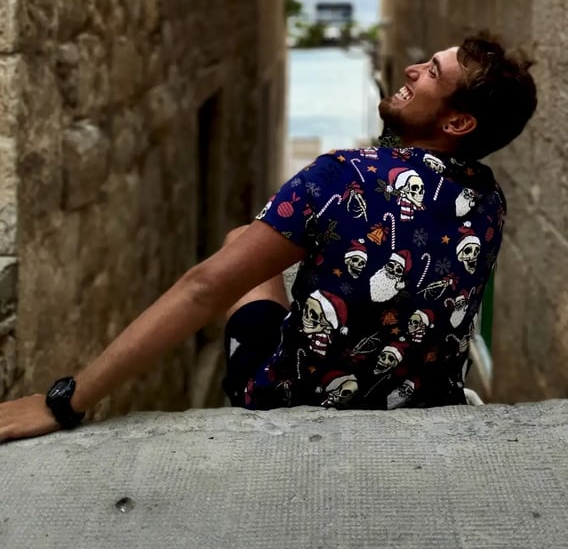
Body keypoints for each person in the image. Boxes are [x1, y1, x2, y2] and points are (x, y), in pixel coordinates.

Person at [0, 34, 536, 440]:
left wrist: (65, 402)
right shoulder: (490, 201)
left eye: (431, 73)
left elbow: (203, 289)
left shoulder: (343, 176)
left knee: (241, 250)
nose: (413, 70)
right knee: (257, 244)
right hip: (426, 401)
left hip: (290, 401)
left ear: (459, 123)